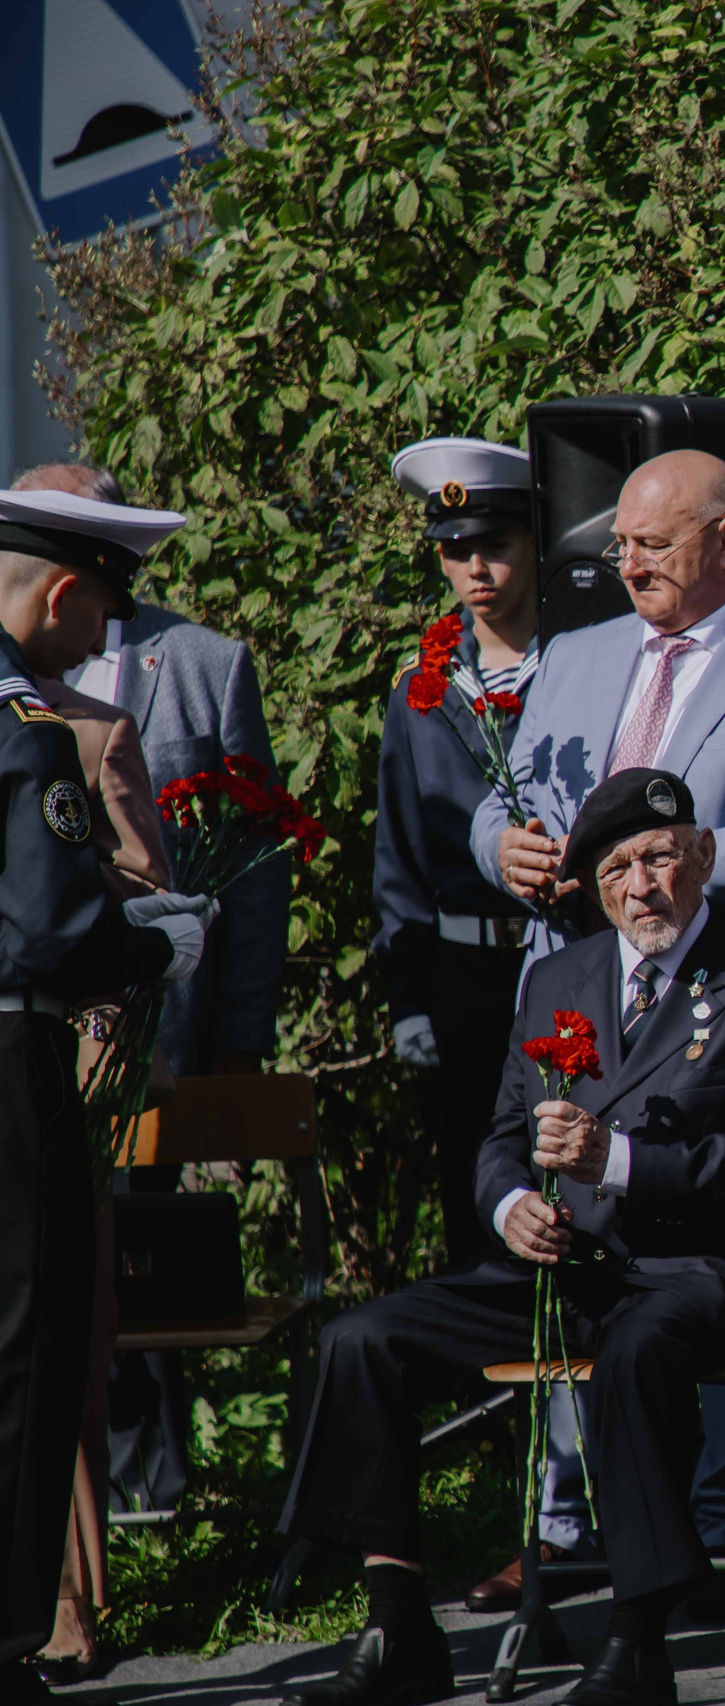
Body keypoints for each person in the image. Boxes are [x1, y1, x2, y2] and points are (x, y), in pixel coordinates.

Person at [277, 768, 725, 1706]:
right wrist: (506, 1209)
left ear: (701, 857)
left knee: (639, 1345)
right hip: (563, 1266)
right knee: (361, 1342)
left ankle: (638, 1637)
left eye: (659, 857)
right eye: (616, 868)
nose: (641, 884)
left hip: (700, 1273)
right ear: (597, 888)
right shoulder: (559, 977)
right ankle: (398, 1619)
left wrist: (615, 1160)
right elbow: (500, 1137)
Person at [466, 447, 725, 1605]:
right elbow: (503, 796)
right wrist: (507, 848)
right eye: (617, 542)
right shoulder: (579, 653)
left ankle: (720, 1519)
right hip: (576, 995)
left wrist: (656, 863)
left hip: (719, 1008)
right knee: (572, 1246)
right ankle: (574, 1520)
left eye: (652, 545)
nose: (624, 565)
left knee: (700, 1248)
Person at [16, 460, 287, 1519]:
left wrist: (238, 1030)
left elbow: (254, 865)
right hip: (35, 1020)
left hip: (151, 1022)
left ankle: (152, 1485)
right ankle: (72, 1527)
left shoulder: (204, 662)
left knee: (135, 1260)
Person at [0, 487, 212, 1701]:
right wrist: (154, 943)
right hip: (14, 1060)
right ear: (66, 592)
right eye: (99, 621)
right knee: (28, 1353)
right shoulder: (25, 724)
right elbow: (50, 931)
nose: (97, 651)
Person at [17, 670, 171, 1690]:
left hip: (72, 1059)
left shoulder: (91, 730)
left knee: (59, 1336)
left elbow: (136, 869)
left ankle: (68, 1603)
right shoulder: (20, 723)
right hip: (22, 1043)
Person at [375, 437, 540, 1267]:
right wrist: (409, 996)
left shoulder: (582, 669)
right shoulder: (422, 690)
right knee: (474, 1195)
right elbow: (400, 855)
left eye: (495, 544)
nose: (476, 568)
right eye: (455, 551)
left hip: (559, 961)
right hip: (462, 977)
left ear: (533, 542)